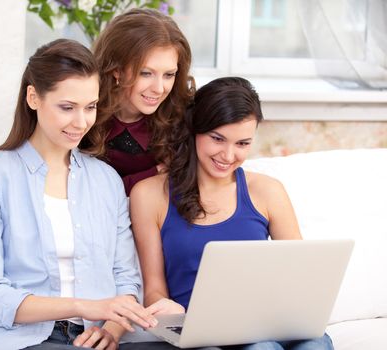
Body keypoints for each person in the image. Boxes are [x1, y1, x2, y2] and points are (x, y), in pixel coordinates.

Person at [0, 39, 157, 350]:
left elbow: (126, 277)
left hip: (98, 336)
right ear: (33, 97)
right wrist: (83, 306)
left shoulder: (105, 179)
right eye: (67, 107)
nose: (81, 122)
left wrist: (112, 327)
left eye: (90, 107)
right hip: (23, 339)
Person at [128, 77, 334, 349]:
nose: (228, 155)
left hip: (266, 321)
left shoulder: (267, 191)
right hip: (199, 331)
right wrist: (167, 310)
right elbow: (154, 289)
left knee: (315, 343)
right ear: (195, 130)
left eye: (242, 144)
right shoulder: (150, 194)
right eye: (217, 139)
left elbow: (298, 277)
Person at [82, 8, 195, 195]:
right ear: (116, 69)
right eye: (146, 73)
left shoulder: (182, 116)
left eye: (169, 74)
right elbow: (76, 186)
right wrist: (153, 174)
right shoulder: (84, 109)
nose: (159, 88)